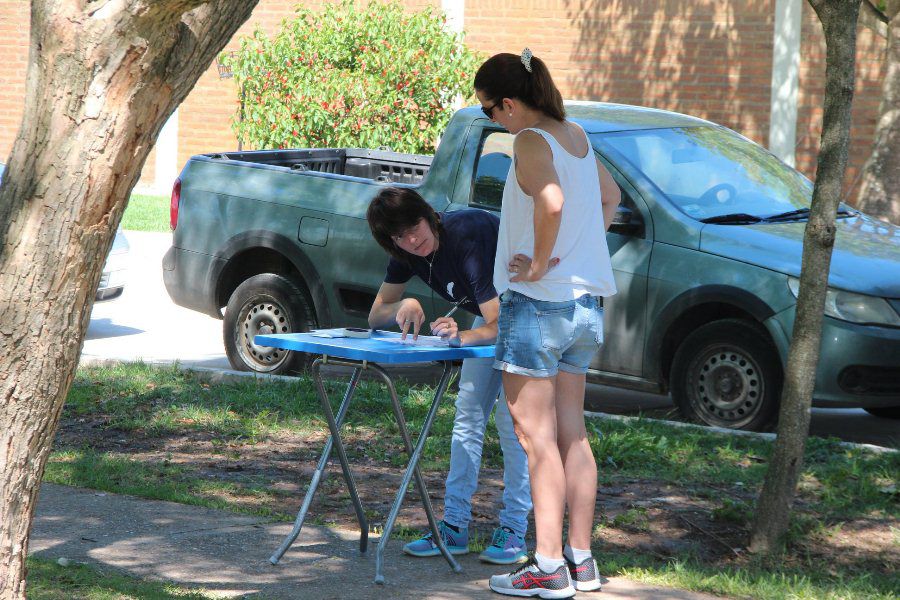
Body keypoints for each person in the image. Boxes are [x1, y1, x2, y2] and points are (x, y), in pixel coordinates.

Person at [473, 48, 620, 598]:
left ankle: (548, 565)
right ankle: (581, 561)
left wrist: (537, 264)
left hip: (538, 306)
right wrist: (580, 253)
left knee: (535, 439)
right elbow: (610, 197)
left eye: (490, 110)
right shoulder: (576, 135)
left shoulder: (530, 142)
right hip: (584, 307)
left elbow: (552, 202)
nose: (493, 120)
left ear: (509, 103)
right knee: (571, 434)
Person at [366, 187, 533, 565]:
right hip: (496, 318)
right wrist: (404, 304)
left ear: (429, 215)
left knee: (514, 427)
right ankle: (454, 525)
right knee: (467, 419)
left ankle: (514, 530)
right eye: (399, 237)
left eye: (414, 227)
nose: (411, 240)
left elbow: (501, 321)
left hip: (527, 315)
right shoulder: (407, 251)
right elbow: (376, 315)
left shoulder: (467, 234)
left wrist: (462, 336)